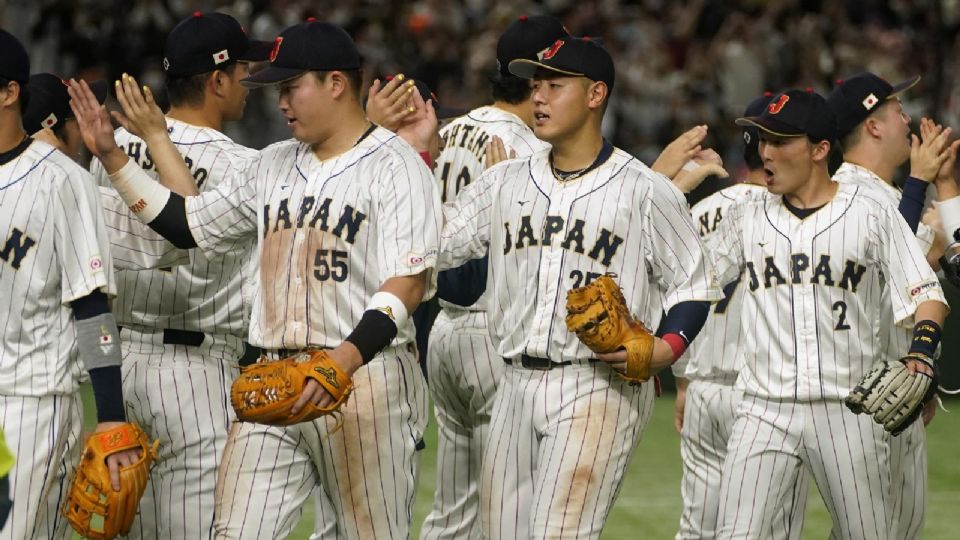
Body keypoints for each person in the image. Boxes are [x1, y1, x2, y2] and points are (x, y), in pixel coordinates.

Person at [69, 19, 441, 539]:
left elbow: (408, 281)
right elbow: (187, 224)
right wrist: (113, 159)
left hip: (364, 380)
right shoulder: (269, 164)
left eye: (291, 87)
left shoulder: (398, 166)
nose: (280, 101)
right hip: (271, 381)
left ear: (336, 83)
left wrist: (345, 357)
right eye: (276, 89)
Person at [439, 35, 720, 538]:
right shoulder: (505, 182)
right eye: (536, 85)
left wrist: (666, 347)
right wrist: (419, 150)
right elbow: (435, 245)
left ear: (595, 95)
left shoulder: (644, 188)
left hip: (597, 386)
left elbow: (693, 285)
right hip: (513, 385)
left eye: (554, 84)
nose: (539, 96)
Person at [711, 89, 948, 539]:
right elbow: (692, 281)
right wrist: (667, 342)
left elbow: (925, 291)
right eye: (763, 140)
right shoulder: (746, 214)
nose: (766, 152)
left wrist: (920, 352)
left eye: (780, 141)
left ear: (820, 149)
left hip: (850, 409)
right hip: (763, 409)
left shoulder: (870, 210)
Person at [86, 12, 269, 538]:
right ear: (217, 80)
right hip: (197, 372)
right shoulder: (242, 165)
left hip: (119, 363)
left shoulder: (110, 149)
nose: (250, 85)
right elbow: (195, 232)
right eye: (243, 72)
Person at [418, 15, 568, 540]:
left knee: (453, 513)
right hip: (495, 337)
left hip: (444, 332)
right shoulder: (530, 147)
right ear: (538, 78)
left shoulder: (455, 127)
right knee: (513, 512)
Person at [0, 28, 141, 540]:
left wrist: (110, 417)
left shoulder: (63, 181)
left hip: (29, 403)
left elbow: (91, 305)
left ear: (9, 92)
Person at [827, 72, 959, 540]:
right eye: (899, 110)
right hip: (865, 399)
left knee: (897, 531)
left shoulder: (893, 194)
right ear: (874, 125)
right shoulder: (842, 193)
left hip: (900, 390)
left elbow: (954, 258)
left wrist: (944, 185)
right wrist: (922, 183)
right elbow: (879, 264)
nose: (910, 120)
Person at [673, 93, 807, 540]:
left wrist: (684, 379)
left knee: (698, 529)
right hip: (762, 396)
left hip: (704, 388)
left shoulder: (700, 211)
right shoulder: (785, 215)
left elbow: (678, 293)